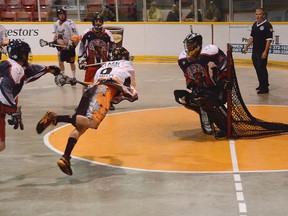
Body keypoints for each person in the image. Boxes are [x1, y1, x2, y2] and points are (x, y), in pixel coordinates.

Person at [36, 47, 138, 176]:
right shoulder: (127, 64)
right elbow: (131, 86)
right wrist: (130, 94)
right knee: (92, 123)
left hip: (92, 90)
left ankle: (65, 157)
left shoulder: (102, 67)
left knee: (81, 127)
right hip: (104, 92)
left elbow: (95, 83)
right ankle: (55, 118)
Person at [0, 40, 61, 152]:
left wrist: (49, 69)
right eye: (25, 53)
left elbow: (30, 71)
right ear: (20, 54)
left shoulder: (13, 65)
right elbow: (4, 87)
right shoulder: (16, 69)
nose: (27, 56)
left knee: (1, 145)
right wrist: (13, 109)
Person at [174, 32, 231, 138]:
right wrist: (192, 86)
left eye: (190, 44)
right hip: (204, 90)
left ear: (197, 44)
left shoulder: (209, 52)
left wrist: (223, 80)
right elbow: (188, 76)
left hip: (217, 89)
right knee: (180, 96)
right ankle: (206, 114)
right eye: (187, 44)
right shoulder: (183, 60)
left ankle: (227, 127)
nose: (188, 46)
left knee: (209, 101)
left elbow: (225, 62)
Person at [78, 12, 116, 109]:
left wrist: (112, 59)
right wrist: (81, 60)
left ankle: (109, 102)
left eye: (100, 21)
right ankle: (84, 103)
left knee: (106, 83)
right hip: (91, 63)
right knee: (87, 83)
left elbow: (112, 48)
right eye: (96, 21)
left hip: (104, 64)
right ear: (93, 22)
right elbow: (82, 47)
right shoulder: (87, 33)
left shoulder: (107, 34)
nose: (98, 23)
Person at [243, 8, 273, 94]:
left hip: (262, 51)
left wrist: (265, 52)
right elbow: (251, 38)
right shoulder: (254, 25)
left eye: (259, 14)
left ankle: (265, 88)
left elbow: (268, 40)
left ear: (263, 15)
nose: (258, 16)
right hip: (255, 51)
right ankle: (261, 84)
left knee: (262, 68)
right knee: (257, 68)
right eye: (256, 14)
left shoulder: (267, 25)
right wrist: (246, 47)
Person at [53, 8, 80, 78]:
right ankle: (63, 76)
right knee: (60, 62)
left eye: (62, 14)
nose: (61, 16)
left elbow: (75, 35)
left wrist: (71, 44)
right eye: (60, 15)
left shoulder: (70, 23)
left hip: (70, 46)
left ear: (65, 15)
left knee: (72, 63)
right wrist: (54, 41)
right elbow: (56, 35)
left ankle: (74, 77)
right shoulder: (56, 24)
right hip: (61, 47)